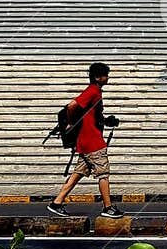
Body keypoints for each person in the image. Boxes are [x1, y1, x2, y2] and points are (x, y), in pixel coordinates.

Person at [50, 62, 122, 218]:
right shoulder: (93, 90)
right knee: (103, 173)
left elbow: (92, 115)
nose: (107, 78)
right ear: (97, 77)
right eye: (105, 75)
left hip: (85, 142)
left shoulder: (96, 92)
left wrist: (107, 121)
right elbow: (71, 105)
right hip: (93, 142)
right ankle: (108, 207)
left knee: (78, 172)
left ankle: (57, 202)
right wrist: (69, 122)